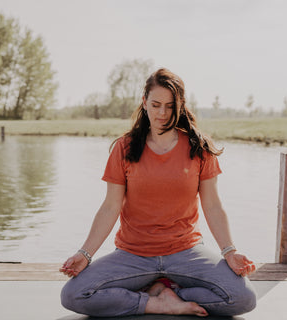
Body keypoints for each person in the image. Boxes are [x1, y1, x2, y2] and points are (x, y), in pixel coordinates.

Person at [60, 68, 257, 317]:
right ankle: (154, 301)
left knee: (243, 298)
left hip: (186, 251)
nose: (162, 113)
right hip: (134, 254)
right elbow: (110, 207)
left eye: (169, 106)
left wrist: (230, 251)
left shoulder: (200, 148)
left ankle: (173, 292)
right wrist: (85, 253)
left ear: (181, 105)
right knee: (73, 294)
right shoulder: (124, 148)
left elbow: (213, 205)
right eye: (155, 105)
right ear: (144, 102)